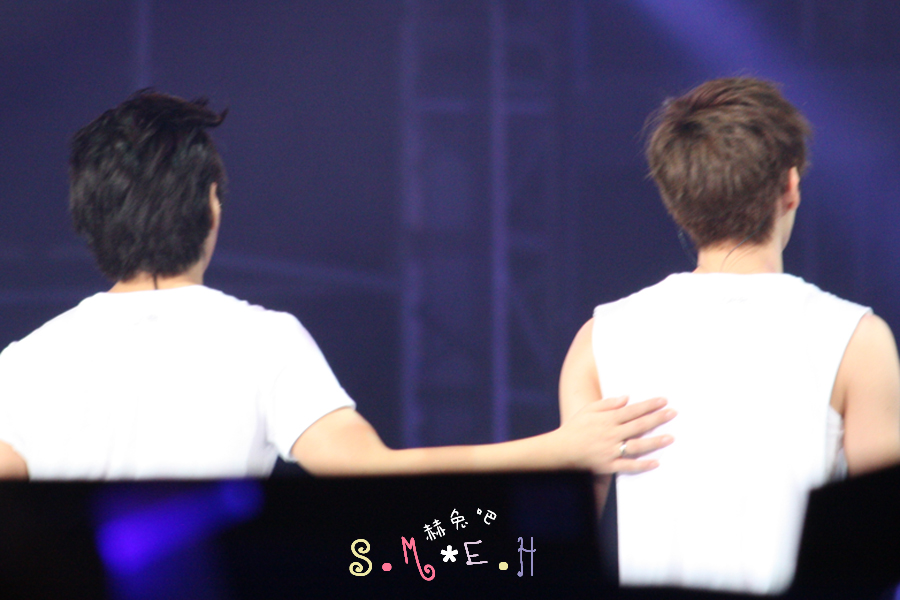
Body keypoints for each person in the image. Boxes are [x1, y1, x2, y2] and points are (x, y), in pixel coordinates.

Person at [0, 91, 675, 481]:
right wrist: (557, 449)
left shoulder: (25, 363)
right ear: (212, 206)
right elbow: (371, 473)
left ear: (87, 217)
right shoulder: (263, 342)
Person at [558, 77, 900, 594]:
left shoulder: (599, 341)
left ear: (676, 200)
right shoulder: (858, 339)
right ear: (790, 186)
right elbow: (877, 543)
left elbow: (561, 543)